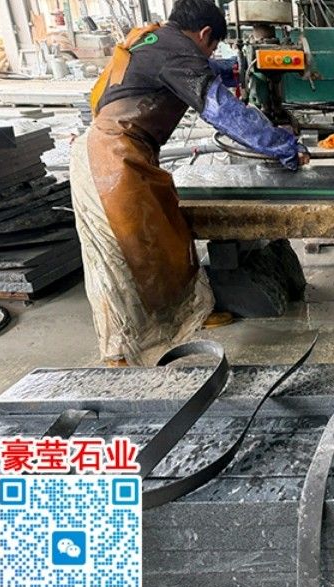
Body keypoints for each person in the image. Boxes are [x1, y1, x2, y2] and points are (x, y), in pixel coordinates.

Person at [69, 0, 308, 366]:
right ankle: (119, 356)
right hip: (109, 163)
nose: (210, 54)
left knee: (163, 245)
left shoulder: (153, 40)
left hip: (125, 156)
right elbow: (223, 111)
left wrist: (237, 70)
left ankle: (182, 319)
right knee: (121, 262)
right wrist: (282, 145)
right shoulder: (177, 52)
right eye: (212, 47)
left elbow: (195, 72)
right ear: (205, 34)